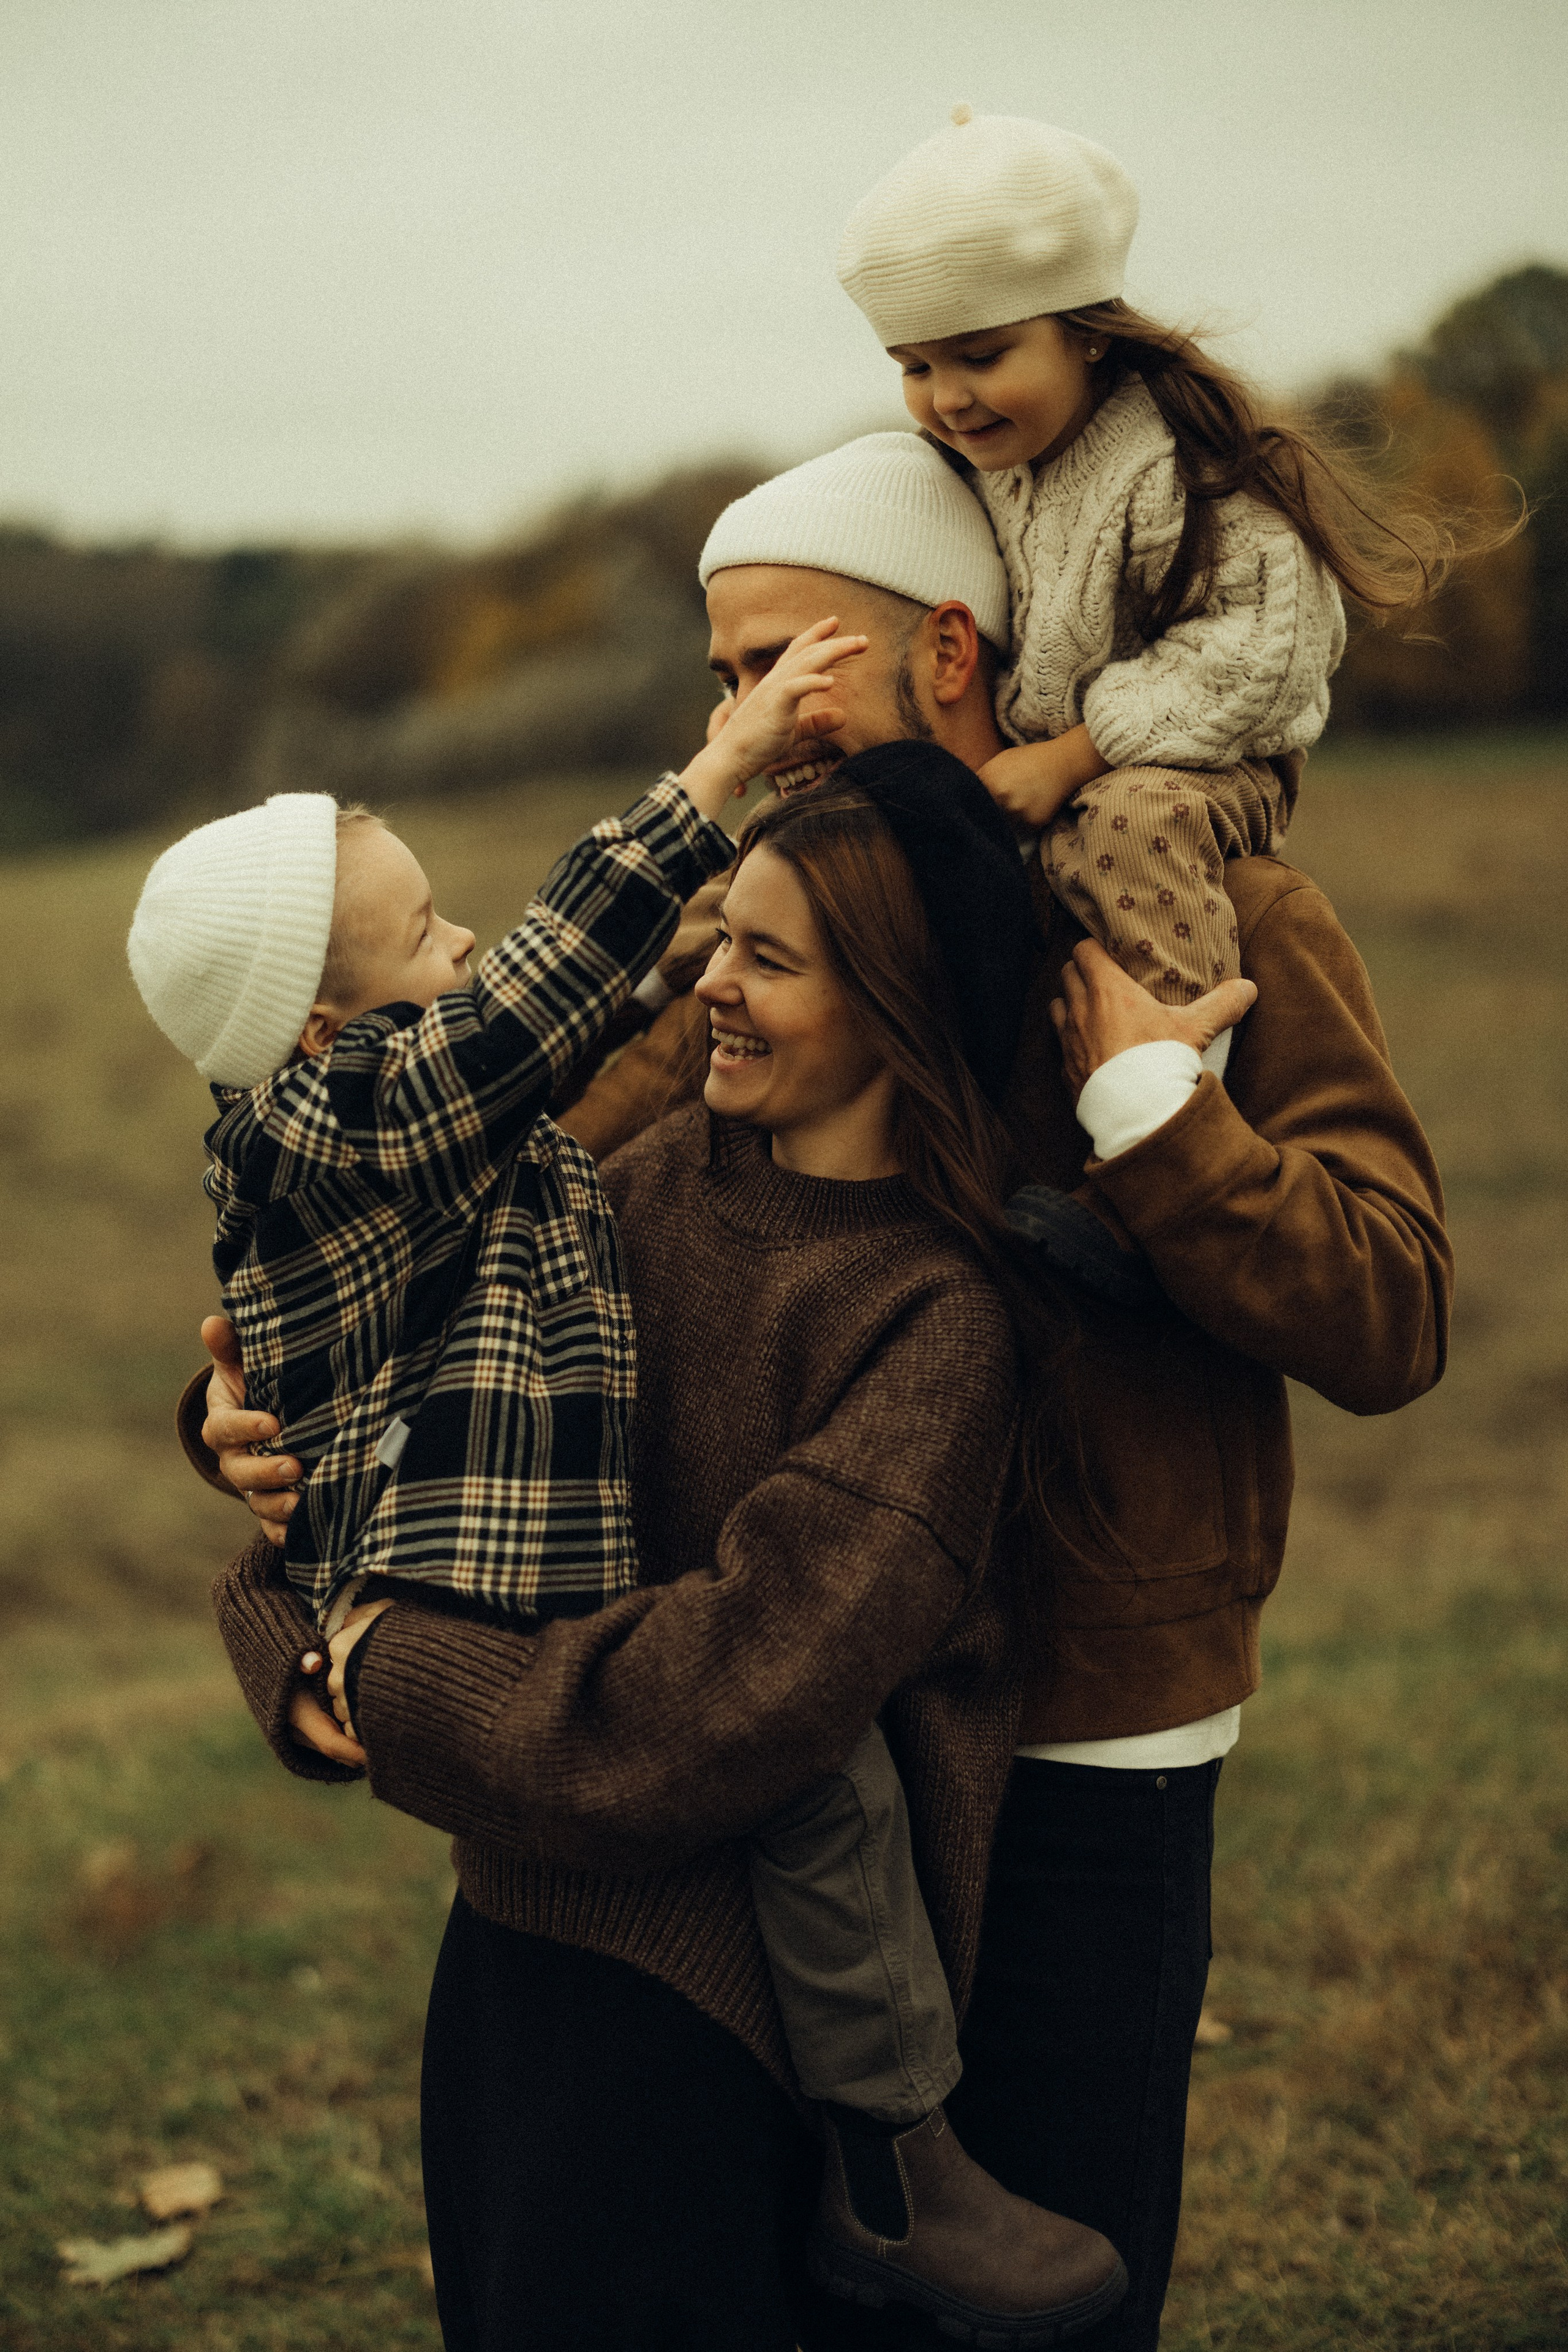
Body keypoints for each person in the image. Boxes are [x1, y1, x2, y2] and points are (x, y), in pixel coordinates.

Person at [504, 431, 1450, 2348]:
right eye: (719, 680)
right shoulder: (737, 952)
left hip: (1089, 1729)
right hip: (786, 1727)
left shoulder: (1223, 924)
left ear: (950, 650)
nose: (747, 717)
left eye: (780, 664)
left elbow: (1391, 1310)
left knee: (1052, 2291)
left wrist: (1162, 1126)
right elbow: (502, 1219)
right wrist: (247, 1418)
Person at [133, 646, 1129, 2341]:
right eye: (714, 943)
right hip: (516, 1959)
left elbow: (730, 1698)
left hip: (708, 2013)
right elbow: (390, 1428)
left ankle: (902, 2167)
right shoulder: (628, 1189)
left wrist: (386, 1670)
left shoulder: (930, 1324)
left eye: (764, 958)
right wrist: (293, 1632)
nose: (706, 991)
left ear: (890, 999)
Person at [828, 106, 1489, 1058]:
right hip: (1046, 766)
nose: (949, 398)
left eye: (982, 356)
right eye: (916, 367)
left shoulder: (1178, 459)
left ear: (1086, 333)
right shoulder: (987, 468)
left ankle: (1176, 1079)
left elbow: (1266, 647)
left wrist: (1074, 756)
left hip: (1210, 764)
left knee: (1128, 821)